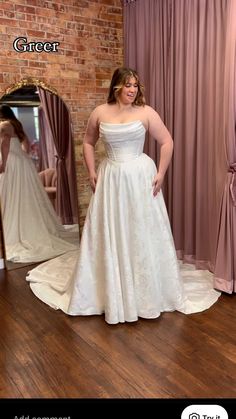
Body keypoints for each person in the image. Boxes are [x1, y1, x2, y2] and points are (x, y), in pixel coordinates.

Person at [26, 67, 220, 324]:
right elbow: (87, 141)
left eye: (135, 86)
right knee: (111, 229)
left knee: (141, 229)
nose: (132, 90)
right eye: (127, 85)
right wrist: (92, 171)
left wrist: (161, 173)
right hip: (111, 178)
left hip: (140, 176)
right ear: (116, 86)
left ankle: (146, 291)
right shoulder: (100, 112)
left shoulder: (146, 112)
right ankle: (111, 290)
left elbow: (167, 141)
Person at [0, 119, 78, 263]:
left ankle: (19, 230)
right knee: (27, 198)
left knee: (13, 197)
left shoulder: (3, 125)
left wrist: (3, 163)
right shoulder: (16, 126)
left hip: (12, 162)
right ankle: (32, 228)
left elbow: (4, 143)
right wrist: (22, 155)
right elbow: (27, 145)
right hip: (23, 162)